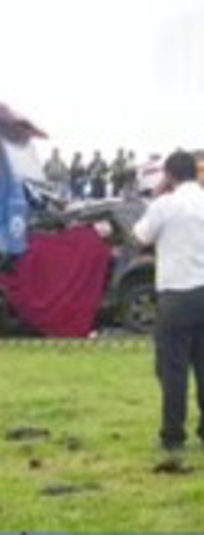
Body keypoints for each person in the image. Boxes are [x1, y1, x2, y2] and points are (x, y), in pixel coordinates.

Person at [133, 151, 204, 451]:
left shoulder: (165, 204)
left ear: (170, 175)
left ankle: (173, 435)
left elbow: (141, 237)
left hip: (177, 294)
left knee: (172, 369)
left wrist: (157, 194)